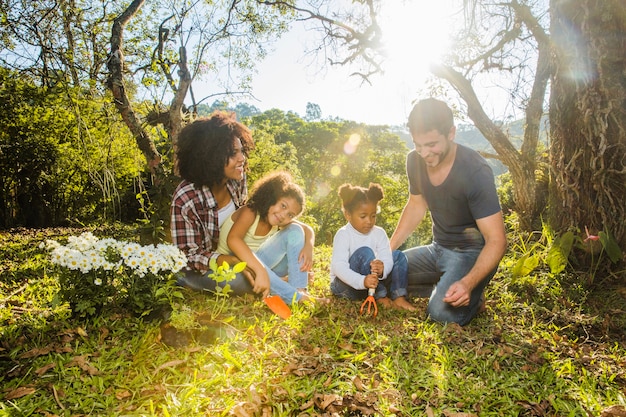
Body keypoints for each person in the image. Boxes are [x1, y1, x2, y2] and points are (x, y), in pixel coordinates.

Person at [389, 98, 507, 326]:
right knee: (386, 274)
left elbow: (497, 240)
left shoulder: (475, 171)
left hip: (470, 254)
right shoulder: (414, 161)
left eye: (431, 144)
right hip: (437, 249)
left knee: (440, 314)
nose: (424, 153)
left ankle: (471, 294)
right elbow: (416, 205)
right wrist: (387, 250)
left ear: (451, 133)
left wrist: (468, 283)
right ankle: (444, 284)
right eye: (418, 145)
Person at [170, 111, 267, 297]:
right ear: (209, 157)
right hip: (206, 267)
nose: (242, 159)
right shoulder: (185, 198)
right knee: (238, 281)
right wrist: (232, 261)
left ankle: (265, 274)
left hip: (237, 252)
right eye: (233, 153)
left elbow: (244, 220)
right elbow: (188, 256)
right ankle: (267, 276)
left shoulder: (237, 179)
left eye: (241, 151)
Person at [217, 171, 323, 305]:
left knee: (295, 230)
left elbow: (307, 229)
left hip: (260, 266)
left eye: (290, 215)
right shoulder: (250, 211)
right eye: (283, 205)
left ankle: (300, 289)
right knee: (259, 267)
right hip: (235, 268)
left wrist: (308, 246)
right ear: (272, 199)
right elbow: (233, 240)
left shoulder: (277, 219)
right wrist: (260, 270)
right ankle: (296, 298)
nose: (284, 215)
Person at [330, 182, 416, 311]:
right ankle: (380, 296)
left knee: (398, 255)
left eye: (373, 216)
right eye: (363, 216)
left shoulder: (379, 233)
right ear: (348, 215)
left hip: (371, 283)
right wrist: (362, 281)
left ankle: (399, 297)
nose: (369, 221)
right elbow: (339, 267)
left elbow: (386, 258)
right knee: (365, 252)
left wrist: (382, 269)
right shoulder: (343, 234)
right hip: (346, 286)